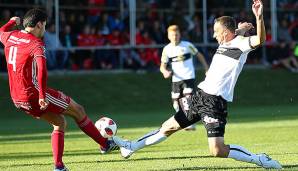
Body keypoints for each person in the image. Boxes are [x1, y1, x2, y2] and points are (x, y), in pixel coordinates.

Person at [113, 0, 282, 169]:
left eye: (216, 31)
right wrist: (241, 29)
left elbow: (260, 39)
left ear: (225, 32)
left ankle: (259, 159)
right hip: (200, 96)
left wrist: (259, 17)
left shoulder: (240, 45)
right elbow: (231, 32)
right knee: (167, 127)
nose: (214, 35)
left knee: (217, 150)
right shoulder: (226, 41)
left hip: (215, 102)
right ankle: (131, 146)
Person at [0, 9, 117, 171]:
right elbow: (42, 70)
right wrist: (42, 95)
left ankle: (59, 167)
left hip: (17, 98)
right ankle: (105, 144)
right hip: (33, 93)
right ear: (39, 24)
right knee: (78, 110)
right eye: (45, 26)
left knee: (59, 122)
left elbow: (1, 31)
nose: (45, 30)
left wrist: (11, 22)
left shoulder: (11, 37)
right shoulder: (36, 44)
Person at [160, 25, 209, 130]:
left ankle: (190, 123)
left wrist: (206, 68)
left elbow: (199, 55)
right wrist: (165, 72)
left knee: (188, 100)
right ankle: (183, 121)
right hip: (176, 80)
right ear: (168, 36)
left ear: (180, 35)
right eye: (173, 35)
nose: (175, 37)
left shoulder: (187, 46)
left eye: (177, 34)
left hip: (188, 77)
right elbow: (162, 66)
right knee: (176, 104)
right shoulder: (167, 49)